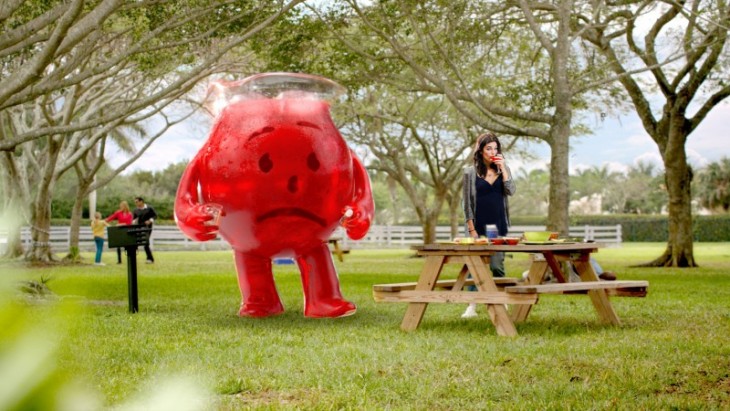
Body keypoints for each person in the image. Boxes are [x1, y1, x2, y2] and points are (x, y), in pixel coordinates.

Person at [461, 132, 517, 318]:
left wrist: (504, 169)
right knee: (474, 267)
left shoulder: (503, 169)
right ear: (481, 150)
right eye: (489, 148)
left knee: (496, 265)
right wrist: (471, 229)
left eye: (496, 148)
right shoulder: (469, 172)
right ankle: (471, 306)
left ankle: (501, 302)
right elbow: (467, 203)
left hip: (497, 227)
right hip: (478, 226)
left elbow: (511, 191)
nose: (493, 151)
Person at [132, 196, 157, 264]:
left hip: (147, 228)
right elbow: (133, 219)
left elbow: (155, 216)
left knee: (146, 243)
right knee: (135, 243)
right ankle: (132, 258)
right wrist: (134, 221)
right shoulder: (135, 210)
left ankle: (150, 259)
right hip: (138, 228)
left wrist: (150, 221)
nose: (136, 203)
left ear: (141, 201)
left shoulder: (149, 208)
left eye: (137, 202)